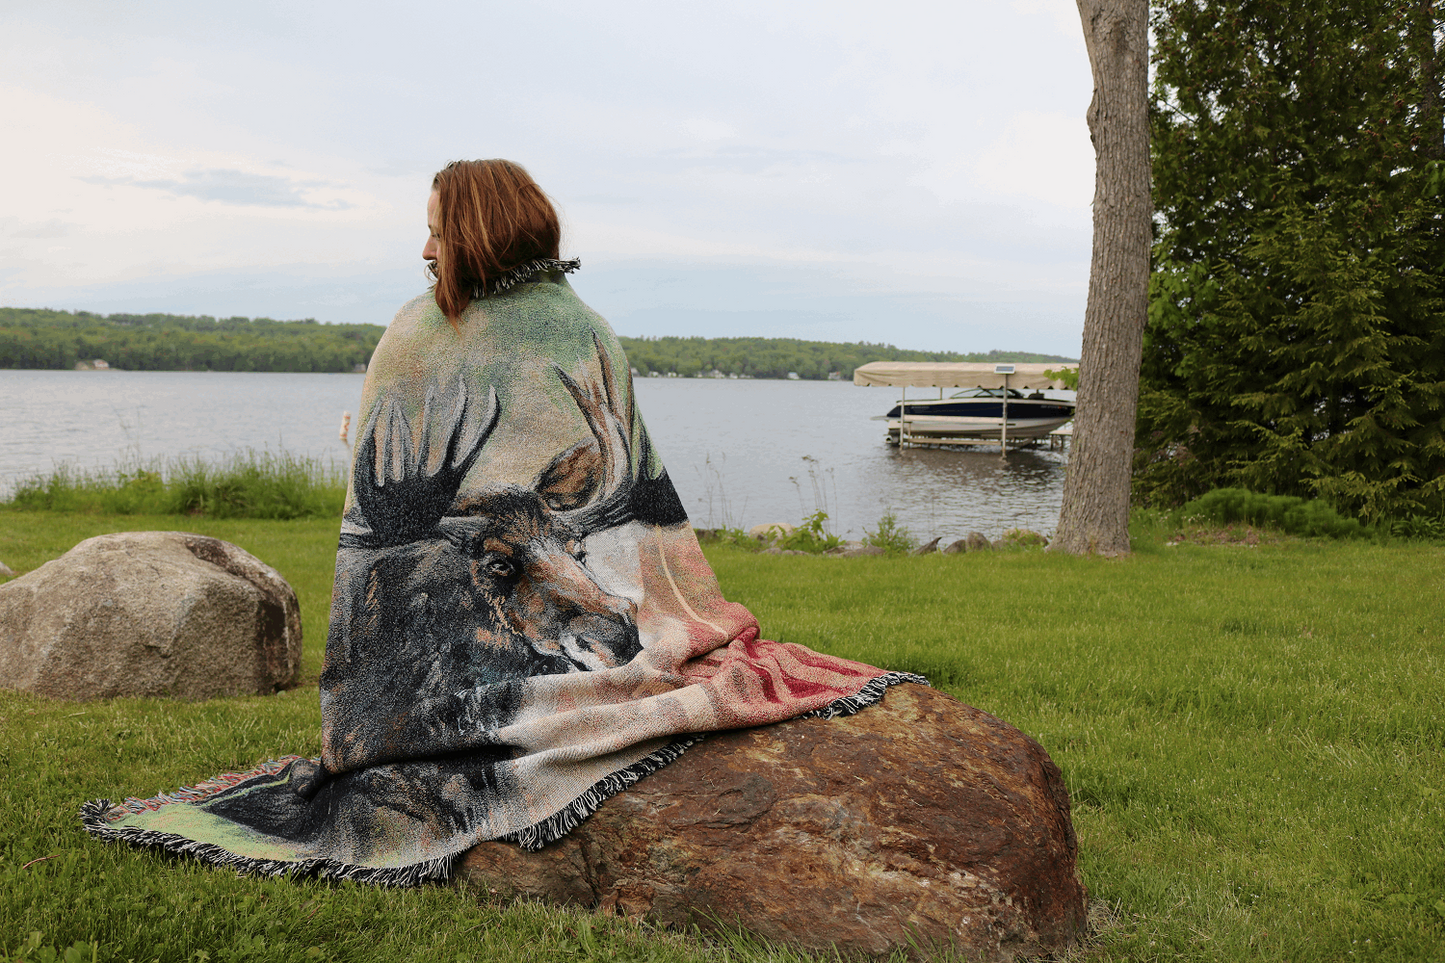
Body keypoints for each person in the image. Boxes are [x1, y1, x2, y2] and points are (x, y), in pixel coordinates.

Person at [83, 160, 922, 884]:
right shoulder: (577, 328)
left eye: (436, 234)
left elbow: (603, 478)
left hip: (516, 583)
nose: (422, 252)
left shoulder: (424, 330)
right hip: (479, 593)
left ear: (477, 233)